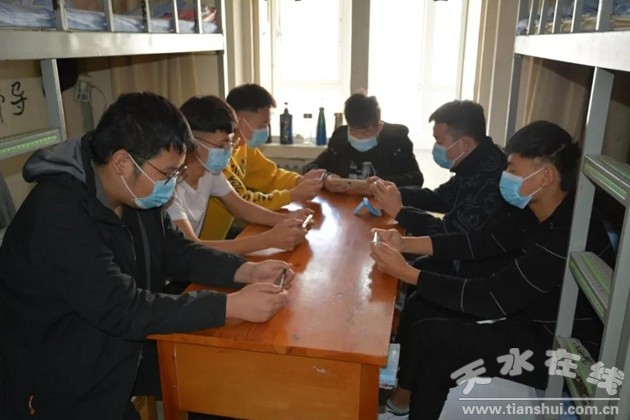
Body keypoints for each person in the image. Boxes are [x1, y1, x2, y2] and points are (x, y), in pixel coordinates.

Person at [0, 92, 295, 420]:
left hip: (114, 346)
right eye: (168, 173)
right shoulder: (57, 215)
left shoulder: (134, 194)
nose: (171, 184)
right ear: (122, 163)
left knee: (216, 379)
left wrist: (246, 271)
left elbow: (176, 250)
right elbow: (122, 306)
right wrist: (230, 306)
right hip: (55, 380)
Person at [370, 121, 614, 420]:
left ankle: (402, 400)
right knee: (426, 322)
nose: (505, 176)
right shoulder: (538, 210)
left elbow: (492, 298)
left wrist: (407, 273)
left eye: (512, 169)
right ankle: (402, 400)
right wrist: (404, 243)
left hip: (569, 352)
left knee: (433, 338)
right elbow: (478, 242)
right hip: (534, 321)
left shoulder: (567, 234)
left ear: (546, 176)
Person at [169, 95, 312, 255]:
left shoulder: (210, 173)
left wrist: (287, 220)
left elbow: (242, 208)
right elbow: (191, 248)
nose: (228, 151)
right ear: (191, 141)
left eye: (231, 143)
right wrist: (270, 239)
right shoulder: (169, 186)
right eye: (221, 145)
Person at [201, 83, 325, 240]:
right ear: (238, 121)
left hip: (221, 236)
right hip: (206, 241)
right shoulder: (217, 157)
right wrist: (292, 195)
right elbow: (244, 202)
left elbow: (271, 176)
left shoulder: (244, 147)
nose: (265, 130)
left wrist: (299, 181)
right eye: (262, 124)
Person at [372, 100, 509, 237]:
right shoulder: (476, 162)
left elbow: (451, 233)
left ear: (464, 144)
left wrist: (400, 212)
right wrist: (394, 193)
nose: (436, 147)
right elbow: (441, 198)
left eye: (439, 141)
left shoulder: (490, 176)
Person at [303, 92, 423, 196]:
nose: (359, 137)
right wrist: (326, 178)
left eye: (365, 133)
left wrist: (381, 184)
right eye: (353, 131)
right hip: (343, 205)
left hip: (382, 207)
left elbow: (416, 178)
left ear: (379, 127)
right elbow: (310, 168)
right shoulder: (340, 139)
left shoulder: (397, 142)